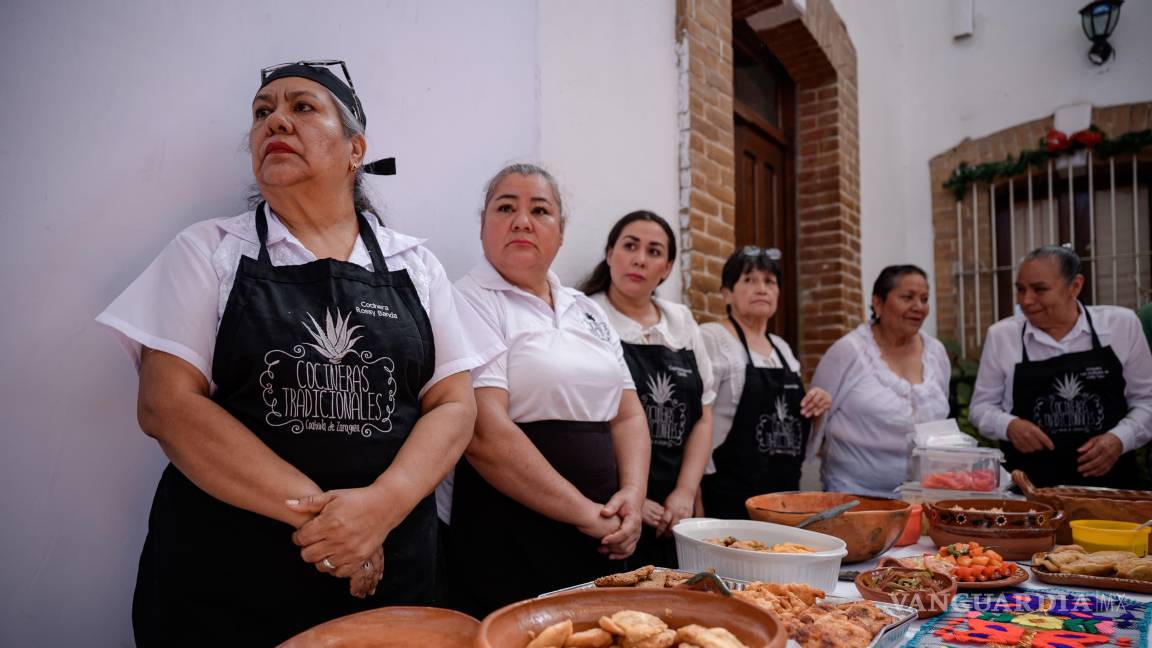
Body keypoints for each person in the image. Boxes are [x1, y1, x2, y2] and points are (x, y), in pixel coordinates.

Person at [96, 60, 499, 645]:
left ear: (355, 149)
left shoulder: (416, 266)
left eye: (302, 107)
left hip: (389, 572)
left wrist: (381, 508)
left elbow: (455, 407)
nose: (275, 121)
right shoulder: (209, 250)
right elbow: (167, 406)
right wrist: (335, 526)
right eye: (262, 112)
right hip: (229, 581)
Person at [447, 164, 650, 616]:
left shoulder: (586, 310)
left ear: (560, 232)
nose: (522, 221)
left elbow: (628, 414)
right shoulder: (468, 298)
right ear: (482, 226)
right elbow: (485, 431)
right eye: (506, 208)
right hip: (509, 533)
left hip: (604, 533)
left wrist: (632, 499)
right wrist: (585, 513)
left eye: (540, 210)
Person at [580, 210, 715, 568]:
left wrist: (685, 492)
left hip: (676, 511)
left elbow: (703, 416)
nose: (639, 259)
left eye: (654, 251)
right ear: (610, 254)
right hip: (609, 505)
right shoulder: (584, 316)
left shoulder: (681, 321)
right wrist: (633, 497)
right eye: (630, 246)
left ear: (667, 268)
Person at [969, 245, 1152, 488]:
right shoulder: (1002, 336)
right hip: (1030, 489)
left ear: (1074, 286)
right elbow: (980, 408)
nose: (1026, 300)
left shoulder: (1122, 325)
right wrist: (1009, 425)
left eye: (1040, 289)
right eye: (1021, 289)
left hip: (1111, 489)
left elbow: (1147, 400)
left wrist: (1120, 439)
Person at [699, 247, 831, 519]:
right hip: (728, 496)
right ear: (726, 293)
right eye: (749, 280)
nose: (761, 289)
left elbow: (798, 432)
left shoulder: (782, 348)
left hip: (784, 501)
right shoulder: (712, 338)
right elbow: (696, 420)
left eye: (770, 282)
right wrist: (692, 492)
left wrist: (816, 406)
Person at [809, 265, 951, 496]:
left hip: (922, 496)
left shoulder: (936, 353)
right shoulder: (849, 351)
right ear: (878, 303)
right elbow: (815, 418)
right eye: (907, 297)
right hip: (853, 495)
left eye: (924, 299)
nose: (918, 307)